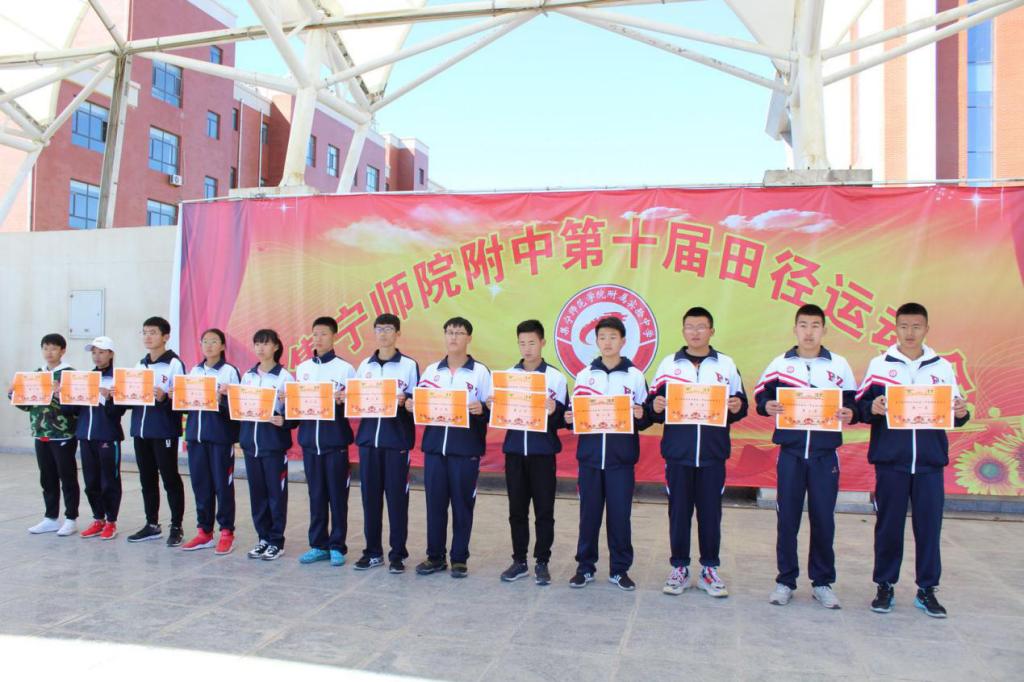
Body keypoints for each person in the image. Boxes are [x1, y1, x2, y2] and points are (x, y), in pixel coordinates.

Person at [856, 302, 970, 618]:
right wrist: (872, 408)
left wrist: (962, 412)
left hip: (930, 463)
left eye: (916, 326)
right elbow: (861, 407)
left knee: (929, 528)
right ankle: (884, 586)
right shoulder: (879, 365)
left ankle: (927, 590)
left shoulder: (942, 367)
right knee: (888, 527)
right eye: (904, 326)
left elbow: (955, 410)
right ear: (895, 328)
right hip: (891, 462)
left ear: (926, 329)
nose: (910, 333)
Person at [754, 303, 857, 609]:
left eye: (815, 326)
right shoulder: (780, 364)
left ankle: (822, 582)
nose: (809, 332)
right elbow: (761, 396)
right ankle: (785, 581)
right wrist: (766, 406)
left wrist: (850, 411)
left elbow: (853, 402)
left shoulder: (839, 365)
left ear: (824, 330)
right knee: (787, 519)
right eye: (803, 325)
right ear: (795, 329)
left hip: (825, 455)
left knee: (823, 519)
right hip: (791, 454)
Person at [647, 307, 747, 598]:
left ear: (711, 331)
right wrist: (656, 406)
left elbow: (741, 403)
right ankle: (679, 567)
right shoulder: (669, 364)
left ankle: (709, 569)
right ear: (683, 331)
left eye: (701, 327)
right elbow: (653, 404)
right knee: (678, 513)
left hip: (713, 454)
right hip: (678, 454)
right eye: (690, 327)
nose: (695, 332)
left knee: (710, 513)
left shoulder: (726, 365)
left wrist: (736, 406)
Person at [565, 316, 651, 591]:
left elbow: (646, 416)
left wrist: (642, 414)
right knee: (588, 516)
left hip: (621, 460)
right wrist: (570, 417)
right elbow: (575, 413)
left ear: (623, 341)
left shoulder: (635, 376)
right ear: (596, 341)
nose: (607, 342)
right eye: (602, 337)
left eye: (613, 337)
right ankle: (585, 567)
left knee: (620, 517)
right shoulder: (585, 375)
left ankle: (619, 570)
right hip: (589, 459)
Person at [408, 317, 492, 579]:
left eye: (459, 333)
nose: (454, 337)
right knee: (435, 505)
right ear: (444, 336)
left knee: (462, 505)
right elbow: (420, 403)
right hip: (435, 450)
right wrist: (412, 404)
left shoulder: (480, 372)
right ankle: (435, 557)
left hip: (465, 451)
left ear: (469, 338)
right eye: (450, 332)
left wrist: (483, 409)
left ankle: (459, 558)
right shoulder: (432, 371)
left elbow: (494, 408)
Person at [490, 319, 567, 587]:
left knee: (544, 511)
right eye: (522, 343)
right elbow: (499, 413)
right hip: (514, 453)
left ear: (542, 343)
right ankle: (519, 560)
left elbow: (564, 419)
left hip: (543, 454)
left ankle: (542, 562)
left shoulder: (555, 377)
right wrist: (493, 404)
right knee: (517, 510)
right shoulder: (508, 377)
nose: (527, 348)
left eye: (532, 342)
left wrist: (554, 410)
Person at [353, 314, 419, 574]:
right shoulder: (364, 366)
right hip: (368, 442)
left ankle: (397, 554)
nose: (383, 333)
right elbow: (357, 399)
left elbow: (417, 400)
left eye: (388, 329)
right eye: (379, 329)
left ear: (398, 333)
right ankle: (372, 552)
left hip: (396, 443)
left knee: (397, 500)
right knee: (370, 500)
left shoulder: (409, 365)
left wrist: (407, 401)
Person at [295, 317, 356, 567]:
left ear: (334, 337)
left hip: (335, 444)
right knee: (316, 496)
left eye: (323, 334)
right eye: (315, 334)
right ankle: (318, 544)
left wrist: (344, 400)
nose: (318, 339)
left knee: (338, 498)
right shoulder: (302, 369)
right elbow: (298, 405)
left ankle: (337, 546)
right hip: (310, 444)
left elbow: (356, 405)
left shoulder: (345, 369)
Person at [125, 316, 187, 546]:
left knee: (170, 478)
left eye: (153, 332)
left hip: (163, 431)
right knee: (147, 479)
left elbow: (181, 398)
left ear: (165, 336)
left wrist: (163, 398)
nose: (148, 337)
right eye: (144, 332)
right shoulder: (139, 365)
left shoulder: (174, 364)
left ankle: (176, 526)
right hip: (140, 431)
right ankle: (152, 524)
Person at [11, 333, 80, 536]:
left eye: (53, 348)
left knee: (67, 477)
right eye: (45, 348)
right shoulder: (36, 375)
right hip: (40, 433)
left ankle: (71, 518)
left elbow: (78, 406)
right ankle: (50, 518)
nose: (49, 352)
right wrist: (14, 395)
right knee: (47, 477)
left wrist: (61, 393)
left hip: (63, 434)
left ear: (62, 350)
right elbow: (27, 406)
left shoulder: (70, 375)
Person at [237, 329, 296, 561]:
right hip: (250, 446)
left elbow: (294, 412)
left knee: (276, 495)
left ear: (276, 347)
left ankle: (276, 541)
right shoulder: (248, 376)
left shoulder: (285, 377)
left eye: (266, 343)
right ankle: (263, 538)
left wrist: (284, 420)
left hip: (273, 446)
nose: (261, 348)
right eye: (257, 344)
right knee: (257, 494)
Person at [180, 329, 240, 555]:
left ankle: (226, 532)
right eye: (205, 341)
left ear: (223, 346)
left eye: (214, 341)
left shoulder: (229, 371)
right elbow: (186, 404)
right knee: (201, 485)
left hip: (220, 438)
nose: (209, 345)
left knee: (222, 486)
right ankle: (204, 531)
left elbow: (237, 407)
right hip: (196, 437)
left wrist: (222, 398)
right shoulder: (195, 371)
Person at [59, 337, 123, 540]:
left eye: (102, 352)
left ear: (111, 354)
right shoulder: (84, 378)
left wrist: (109, 398)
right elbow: (70, 411)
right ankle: (98, 518)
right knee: (91, 481)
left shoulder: (118, 379)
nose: (97, 356)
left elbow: (118, 412)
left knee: (109, 481)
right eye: (94, 352)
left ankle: (111, 521)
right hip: (85, 436)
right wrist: (64, 395)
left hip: (107, 437)